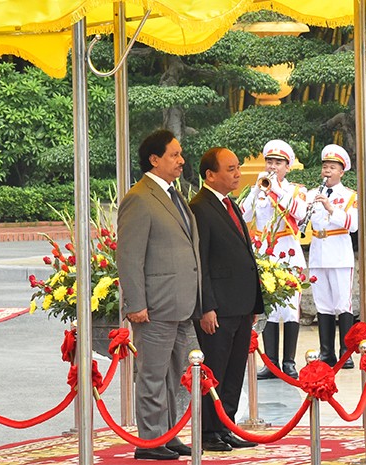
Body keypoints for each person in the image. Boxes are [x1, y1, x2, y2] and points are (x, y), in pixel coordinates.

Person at [116, 129, 200, 461]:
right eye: (174, 155)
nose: (181, 160)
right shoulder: (139, 197)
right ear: (154, 159)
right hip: (155, 305)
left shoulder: (173, 194)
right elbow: (129, 256)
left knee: (173, 376)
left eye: (180, 154)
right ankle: (150, 442)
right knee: (152, 375)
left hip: (181, 304)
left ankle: (168, 435)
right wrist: (135, 304)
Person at [189, 147, 264, 452]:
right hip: (218, 307)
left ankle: (226, 424)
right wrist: (207, 306)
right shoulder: (200, 207)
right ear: (210, 174)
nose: (237, 174)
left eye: (237, 167)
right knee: (215, 370)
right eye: (231, 169)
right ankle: (208, 431)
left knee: (234, 370)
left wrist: (254, 302)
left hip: (241, 305)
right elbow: (201, 262)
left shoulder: (229, 203)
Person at [241, 139, 307, 379]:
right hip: (265, 255)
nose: (272, 166)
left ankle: (289, 361)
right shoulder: (258, 189)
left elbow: (298, 213)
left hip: (288, 253)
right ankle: (270, 363)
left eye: (278, 162)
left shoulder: (296, 190)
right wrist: (258, 189)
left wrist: (275, 189)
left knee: (289, 310)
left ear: (287, 167)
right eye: (269, 161)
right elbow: (243, 214)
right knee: (268, 308)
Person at [307, 144, 358, 369]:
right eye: (325, 166)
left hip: (339, 253)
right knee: (323, 304)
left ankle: (346, 353)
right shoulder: (311, 194)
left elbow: (353, 224)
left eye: (332, 167)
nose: (327, 171)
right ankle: (327, 352)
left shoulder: (349, 196)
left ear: (341, 172)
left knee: (342, 304)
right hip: (318, 252)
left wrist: (330, 208)